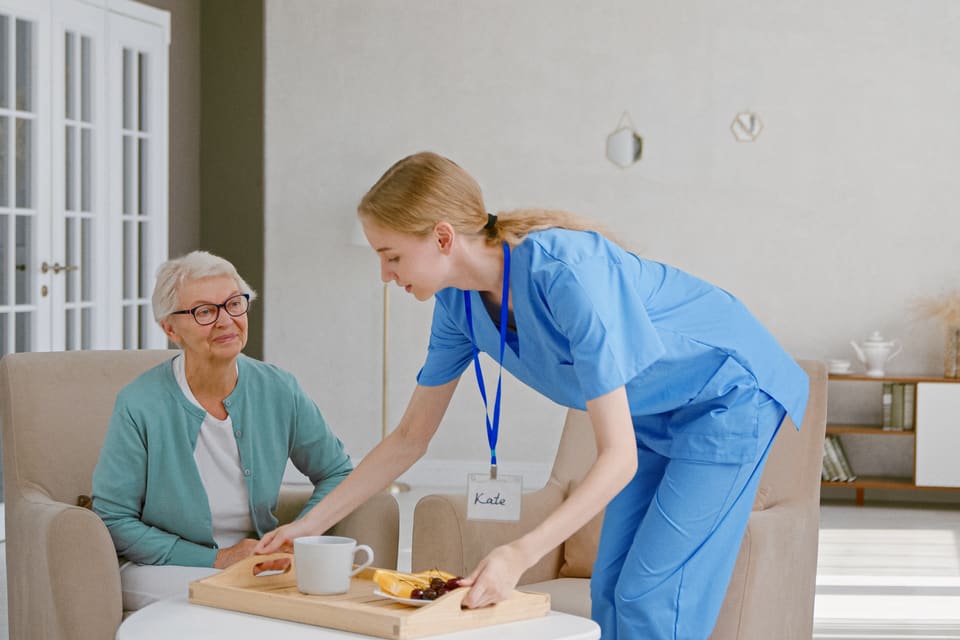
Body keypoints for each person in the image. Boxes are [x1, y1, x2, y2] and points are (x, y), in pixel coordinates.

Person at [256, 152, 809, 639]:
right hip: (652, 411)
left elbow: (618, 457)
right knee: (610, 590)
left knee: (650, 596)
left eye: (392, 255)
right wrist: (307, 524)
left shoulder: (569, 274)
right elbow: (408, 439)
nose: (384, 274)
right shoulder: (458, 306)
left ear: (443, 238)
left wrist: (519, 553)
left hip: (727, 397)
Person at [93, 250, 353, 611]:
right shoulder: (139, 404)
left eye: (234, 304)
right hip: (161, 568)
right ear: (170, 328)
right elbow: (113, 518)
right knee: (236, 600)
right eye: (204, 311)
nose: (225, 321)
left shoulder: (278, 388)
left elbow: (337, 471)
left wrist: (300, 533)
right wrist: (218, 560)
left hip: (255, 565)